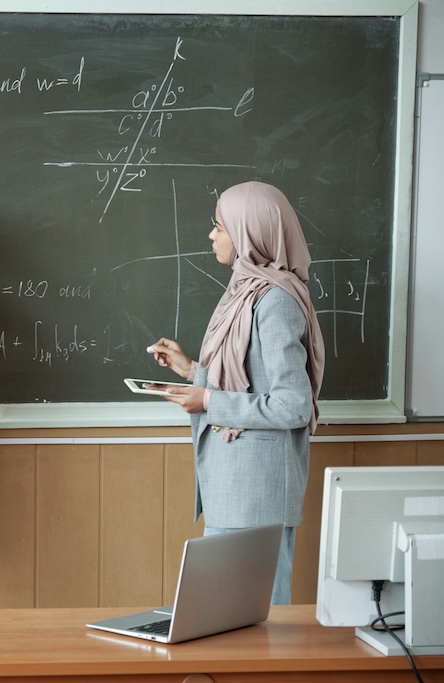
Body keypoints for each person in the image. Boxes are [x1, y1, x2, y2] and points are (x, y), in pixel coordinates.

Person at [148, 181, 325, 605]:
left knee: (250, 625)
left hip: (256, 494)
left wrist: (207, 400)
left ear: (249, 232)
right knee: (221, 618)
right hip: (235, 488)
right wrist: (191, 370)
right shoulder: (245, 291)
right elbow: (250, 376)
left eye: (219, 227)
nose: (211, 235)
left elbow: (293, 406)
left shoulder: (274, 301)